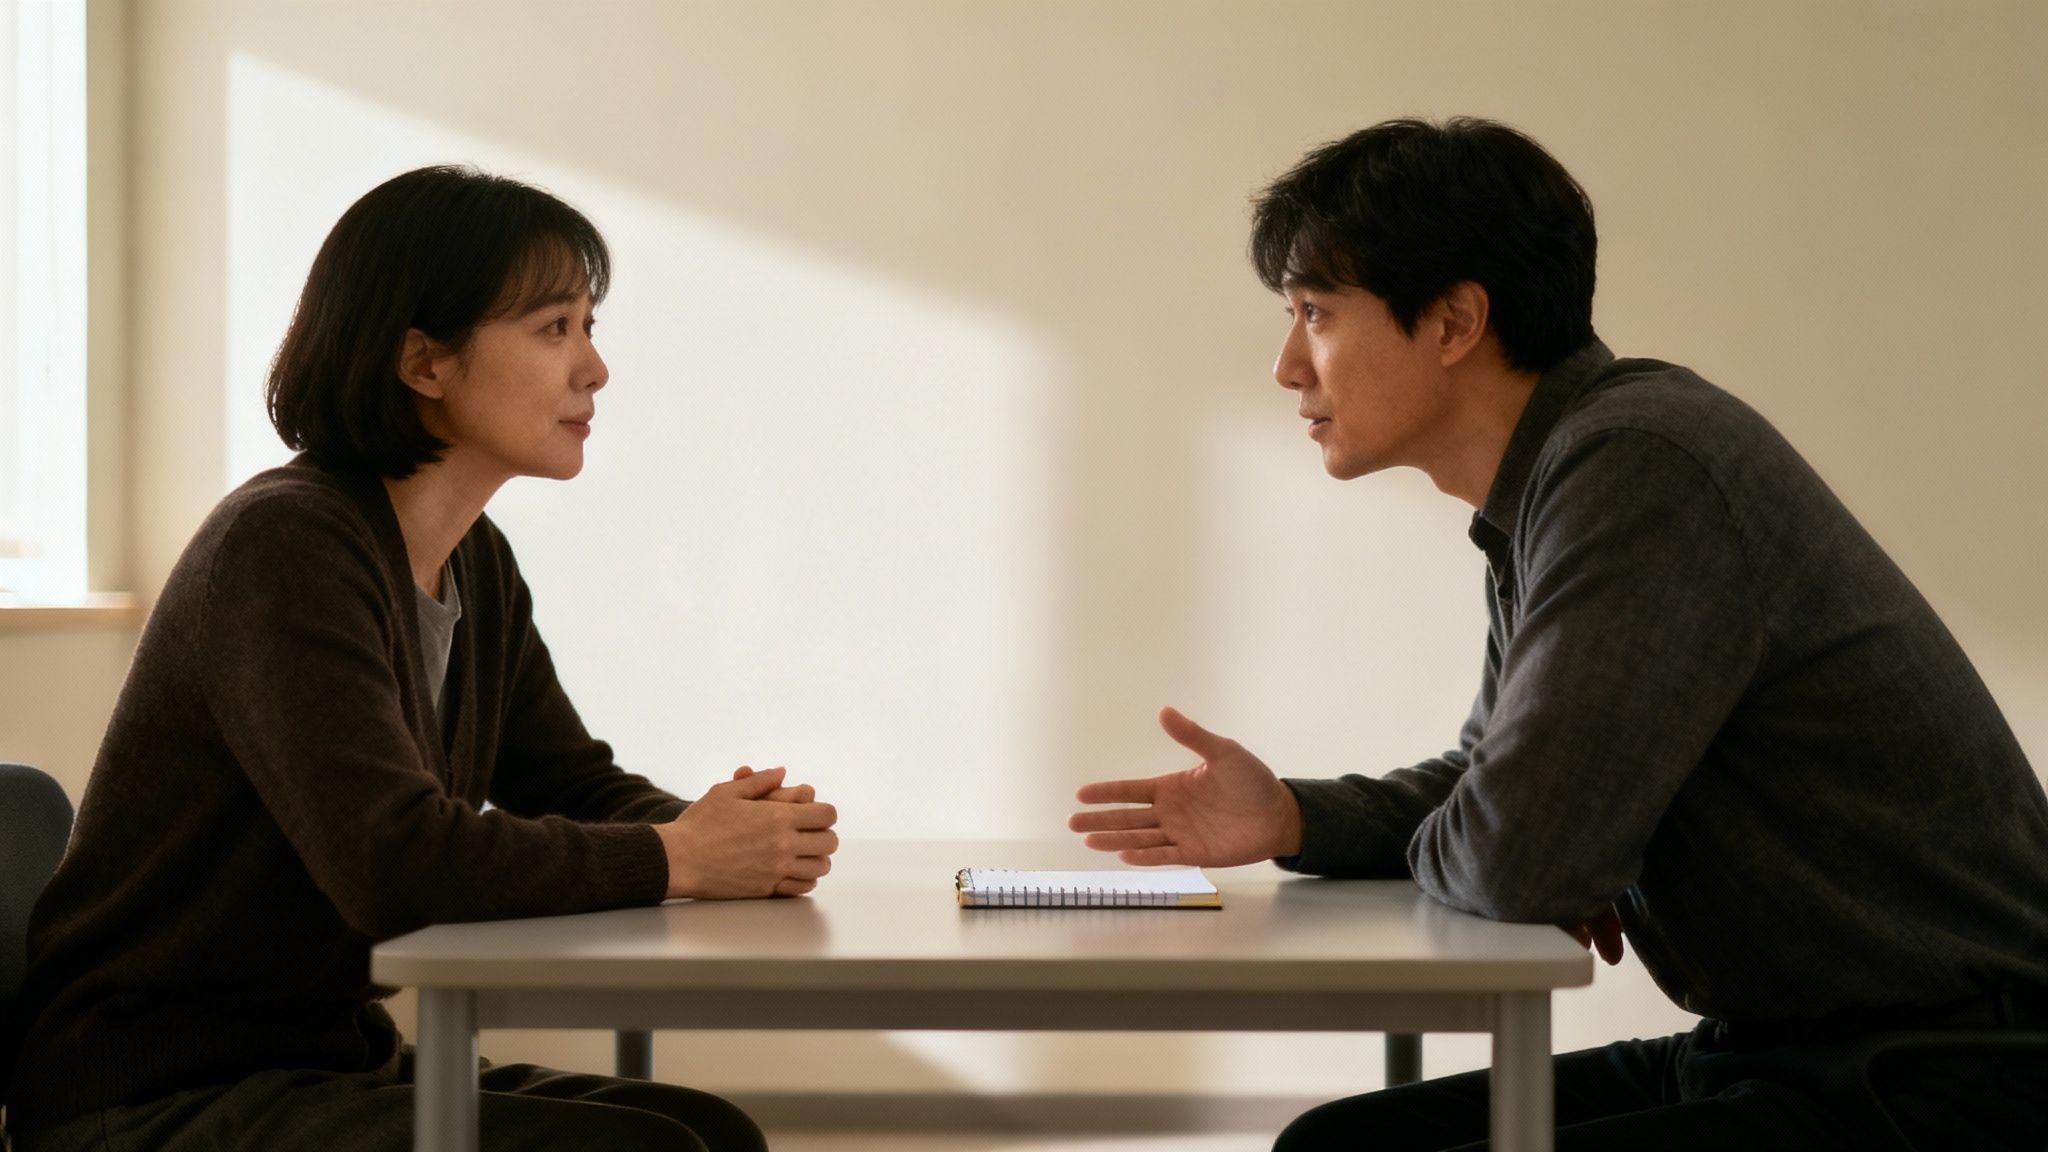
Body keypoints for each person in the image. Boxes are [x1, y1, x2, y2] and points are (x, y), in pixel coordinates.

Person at [1069, 118, 2048, 1150]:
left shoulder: (1638, 468)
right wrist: (1291, 821)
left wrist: (1550, 846)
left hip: (1942, 1082)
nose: (1284, 365)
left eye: (1313, 312)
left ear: (1452, 322)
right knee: (1337, 1147)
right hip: (1788, 1049)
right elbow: (1496, 797)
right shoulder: (1560, 481)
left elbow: (1518, 853)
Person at [5, 166, 839, 1152]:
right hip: (152, 1096)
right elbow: (393, 864)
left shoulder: (470, 559)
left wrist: (728, 835)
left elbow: (565, 780)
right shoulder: (285, 548)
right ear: (424, 362)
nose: (594, 369)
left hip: (327, 1058)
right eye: (553, 328)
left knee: (706, 1131)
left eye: (589, 325)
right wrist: (681, 855)